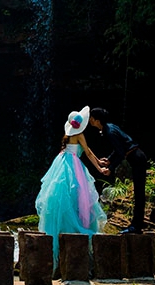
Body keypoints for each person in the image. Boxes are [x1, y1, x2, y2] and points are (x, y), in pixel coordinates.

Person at [35, 106, 108, 266]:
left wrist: (99, 160)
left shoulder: (68, 134)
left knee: (63, 196)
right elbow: (87, 152)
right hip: (73, 164)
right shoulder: (79, 134)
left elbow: (87, 150)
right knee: (77, 194)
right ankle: (76, 230)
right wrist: (99, 168)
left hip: (63, 162)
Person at [89, 107, 148, 234]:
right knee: (139, 192)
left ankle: (136, 226)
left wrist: (110, 168)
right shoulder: (109, 127)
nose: (89, 120)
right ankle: (137, 224)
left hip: (136, 157)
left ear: (97, 120)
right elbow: (119, 148)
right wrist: (109, 160)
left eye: (91, 118)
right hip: (136, 157)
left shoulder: (109, 132)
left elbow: (121, 153)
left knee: (139, 193)